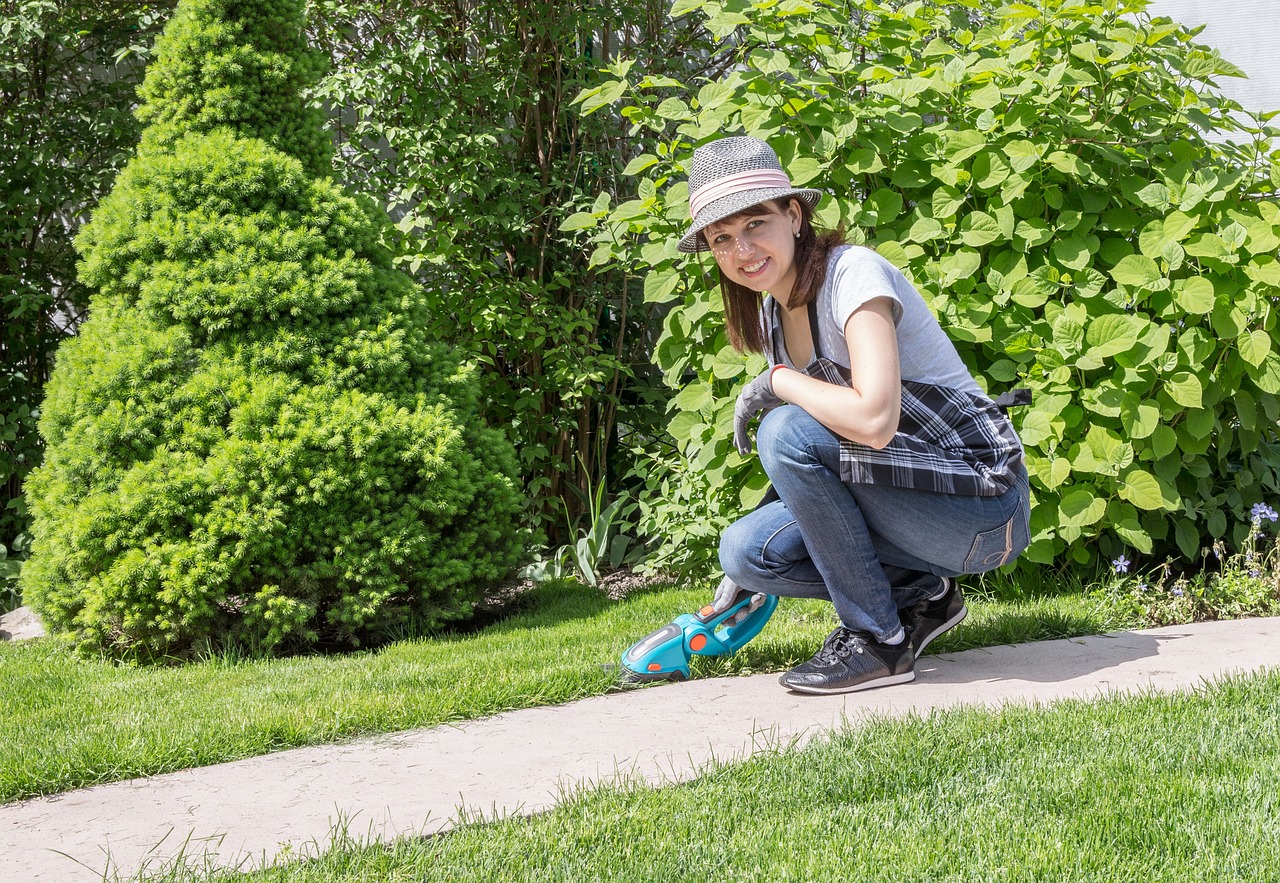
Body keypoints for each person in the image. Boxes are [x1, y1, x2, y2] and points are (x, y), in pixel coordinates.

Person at [679, 135, 1031, 695]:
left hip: (983, 509)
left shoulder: (853, 275)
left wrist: (777, 381)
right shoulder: (773, 311)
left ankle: (879, 643)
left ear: (793, 215)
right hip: (907, 496)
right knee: (747, 552)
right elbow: (815, 458)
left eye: (754, 225)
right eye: (722, 238)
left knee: (784, 423)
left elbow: (873, 420)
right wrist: (741, 574)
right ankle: (922, 597)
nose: (741, 250)